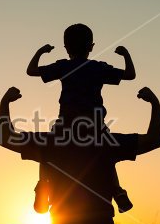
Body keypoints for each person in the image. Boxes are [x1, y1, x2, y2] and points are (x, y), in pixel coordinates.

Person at [0, 86, 160, 224]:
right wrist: (154, 103)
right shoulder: (107, 142)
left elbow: (5, 137)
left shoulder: (51, 142)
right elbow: (155, 139)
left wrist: (5, 102)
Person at [27, 23, 136, 213]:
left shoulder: (64, 66)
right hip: (94, 126)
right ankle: (117, 190)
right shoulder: (98, 68)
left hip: (66, 125)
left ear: (66, 47)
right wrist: (125, 54)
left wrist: (41, 52)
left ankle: (43, 185)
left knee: (45, 151)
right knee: (107, 155)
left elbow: (31, 71)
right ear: (92, 46)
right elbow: (130, 75)